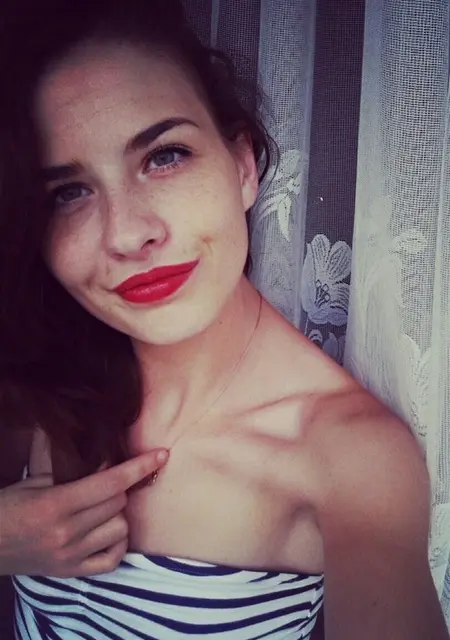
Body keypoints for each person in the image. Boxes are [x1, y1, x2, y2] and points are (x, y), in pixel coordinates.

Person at [0, 0, 447, 638]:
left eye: (164, 156)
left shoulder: (346, 456)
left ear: (242, 166)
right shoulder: (40, 367)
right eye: (69, 192)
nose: (127, 234)